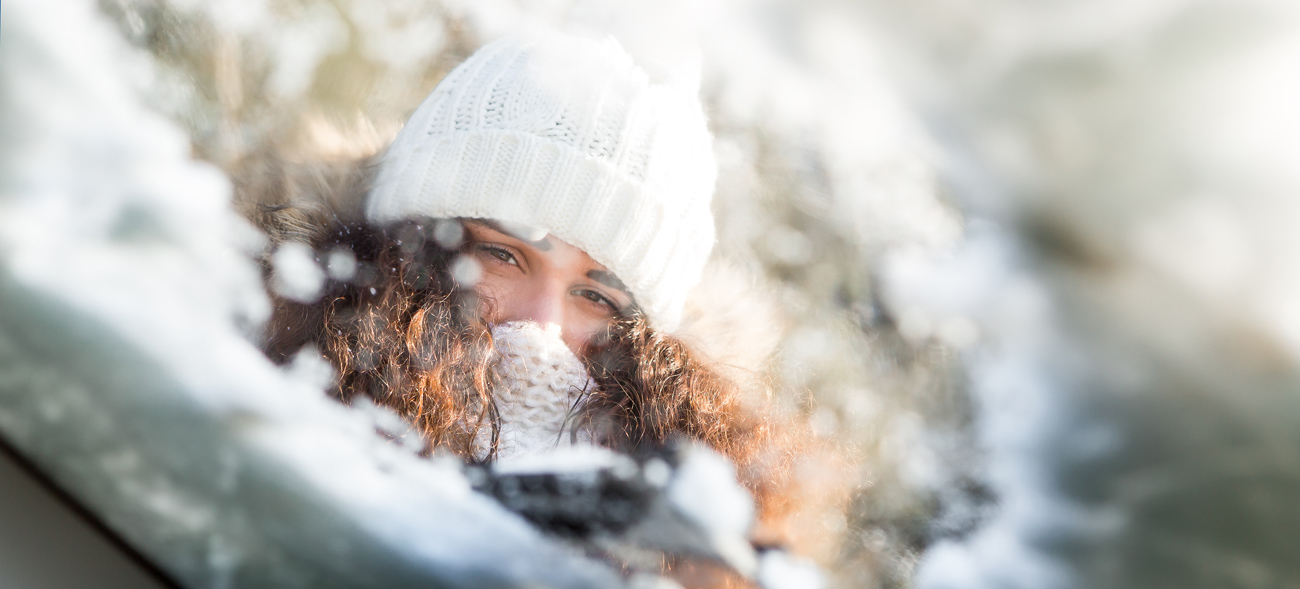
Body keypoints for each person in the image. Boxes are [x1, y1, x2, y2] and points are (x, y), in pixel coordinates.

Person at [248, 31, 821, 577]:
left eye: (595, 296)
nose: (543, 326)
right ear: (401, 253)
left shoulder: (680, 546)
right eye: (503, 255)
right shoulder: (239, 364)